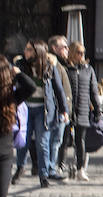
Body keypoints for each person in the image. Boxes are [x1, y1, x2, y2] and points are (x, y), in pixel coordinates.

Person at [15, 40, 68, 188]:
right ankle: (20, 168)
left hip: (42, 111)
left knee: (42, 143)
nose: (26, 52)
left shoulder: (49, 68)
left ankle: (43, 175)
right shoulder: (21, 66)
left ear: (38, 52)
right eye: (26, 49)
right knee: (22, 140)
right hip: (25, 108)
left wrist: (64, 110)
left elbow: (59, 90)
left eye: (29, 50)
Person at [0, 56, 38, 197]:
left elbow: (31, 87)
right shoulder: (11, 97)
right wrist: (17, 72)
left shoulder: (10, 96)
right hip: (5, 155)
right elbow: (30, 86)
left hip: (4, 156)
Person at [65, 42, 103, 182]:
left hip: (83, 109)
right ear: (72, 53)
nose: (81, 55)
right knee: (64, 140)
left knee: (81, 141)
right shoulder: (67, 68)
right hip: (68, 109)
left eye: (83, 53)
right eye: (79, 52)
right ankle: (61, 167)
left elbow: (94, 92)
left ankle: (80, 169)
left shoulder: (89, 69)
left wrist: (98, 110)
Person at [46, 35, 74, 176]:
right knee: (54, 141)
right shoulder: (53, 63)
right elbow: (57, 89)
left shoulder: (62, 64)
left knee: (57, 141)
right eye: (64, 47)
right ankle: (50, 168)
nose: (67, 49)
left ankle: (49, 167)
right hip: (58, 110)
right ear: (54, 48)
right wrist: (63, 109)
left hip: (63, 110)